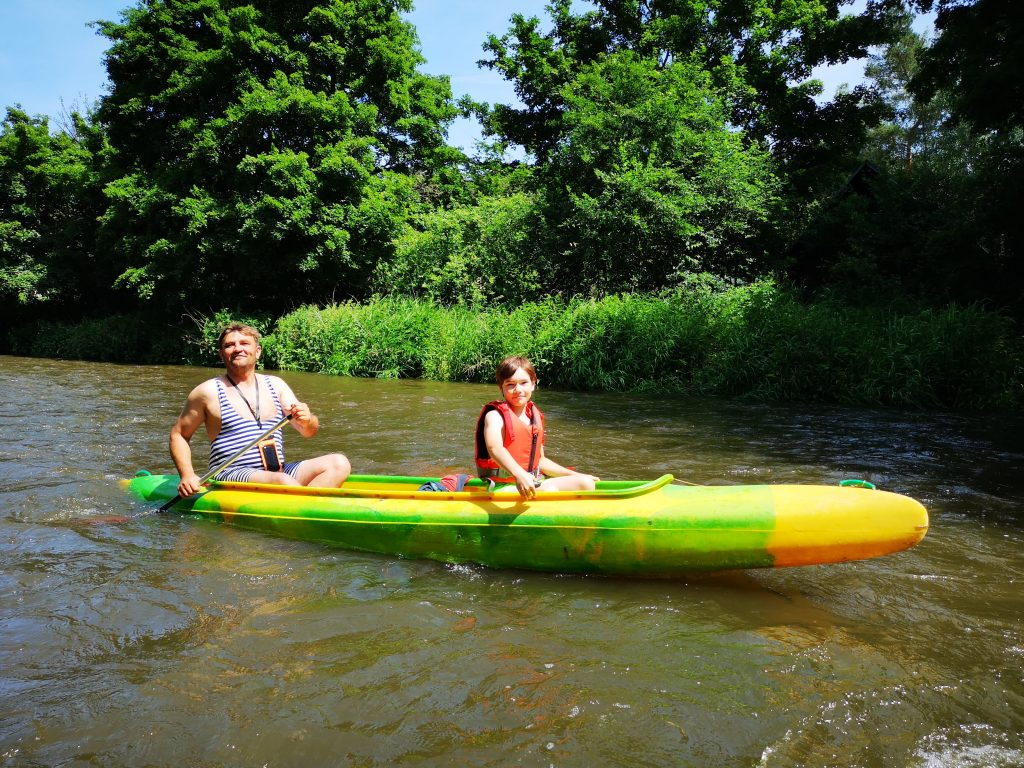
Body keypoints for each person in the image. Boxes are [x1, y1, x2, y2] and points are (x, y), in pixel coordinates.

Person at [170, 323, 351, 498]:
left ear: (257, 352)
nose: (238, 348)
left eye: (245, 343)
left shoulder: (276, 385)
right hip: (230, 473)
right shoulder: (207, 392)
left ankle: (305, 507)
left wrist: (307, 419)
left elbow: (308, 431)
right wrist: (187, 475)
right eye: (230, 345)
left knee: (339, 463)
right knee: (282, 481)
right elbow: (179, 435)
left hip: (276, 471)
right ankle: (308, 508)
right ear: (221, 355)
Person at [474, 355, 598, 499]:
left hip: (533, 482)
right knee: (550, 490)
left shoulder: (535, 417)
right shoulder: (495, 416)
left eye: (523, 383)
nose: (518, 389)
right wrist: (519, 474)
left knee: (586, 483)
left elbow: (540, 461)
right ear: (501, 387)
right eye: (510, 384)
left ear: (533, 383)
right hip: (502, 486)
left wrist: (576, 475)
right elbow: (495, 448)